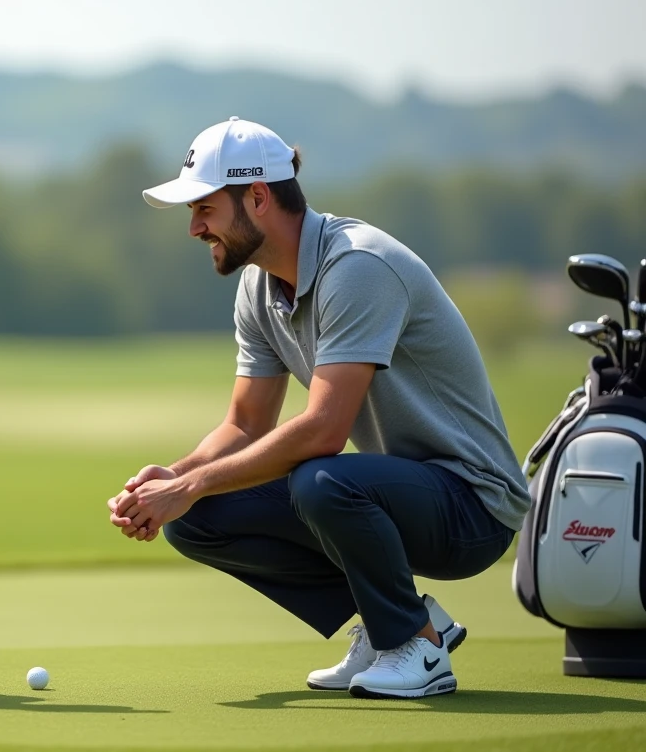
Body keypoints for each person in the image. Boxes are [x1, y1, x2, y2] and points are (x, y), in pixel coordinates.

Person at [108, 117, 530, 699]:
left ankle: (417, 645)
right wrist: (175, 482)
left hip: (472, 507)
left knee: (320, 478)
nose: (194, 227)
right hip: (392, 494)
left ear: (257, 197)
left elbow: (325, 430)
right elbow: (244, 424)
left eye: (203, 207)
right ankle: (393, 626)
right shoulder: (258, 288)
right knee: (195, 516)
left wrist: (192, 482)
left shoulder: (357, 266)